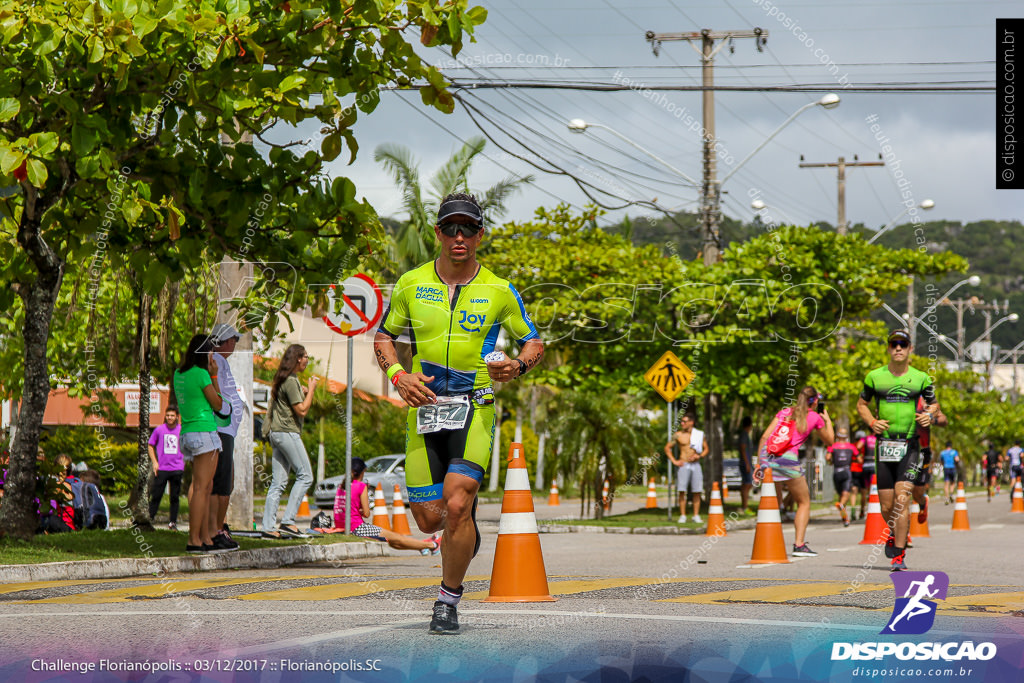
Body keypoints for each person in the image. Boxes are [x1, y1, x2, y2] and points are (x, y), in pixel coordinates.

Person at [374, 193, 544, 635]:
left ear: (480, 235)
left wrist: (518, 365)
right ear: (437, 233)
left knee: (457, 502)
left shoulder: (499, 290)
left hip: (476, 410)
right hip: (424, 410)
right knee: (431, 517)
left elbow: (534, 342)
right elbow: (383, 339)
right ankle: (461, 534)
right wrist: (398, 376)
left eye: (468, 228)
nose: (459, 237)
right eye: (450, 228)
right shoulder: (411, 284)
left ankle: (447, 600)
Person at [857, 329, 938, 572]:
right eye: (894, 344)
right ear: (888, 348)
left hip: (910, 446)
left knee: (902, 499)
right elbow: (862, 405)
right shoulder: (874, 377)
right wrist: (872, 422)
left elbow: (934, 405)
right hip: (885, 446)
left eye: (903, 344)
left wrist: (929, 416)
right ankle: (894, 533)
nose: (898, 348)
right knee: (886, 505)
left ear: (910, 348)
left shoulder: (921, 377)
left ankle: (899, 555)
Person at [173, 333, 234, 553]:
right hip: (204, 431)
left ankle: (206, 537)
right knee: (201, 488)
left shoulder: (179, 373)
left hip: (188, 432)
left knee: (203, 486)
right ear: (204, 353)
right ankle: (194, 540)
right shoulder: (202, 374)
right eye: (211, 351)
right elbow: (218, 404)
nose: (213, 356)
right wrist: (215, 376)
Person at [757, 386, 834, 557]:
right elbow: (830, 441)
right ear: (814, 401)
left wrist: (758, 463)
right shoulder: (814, 417)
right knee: (804, 502)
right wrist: (827, 420)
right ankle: (799, 545)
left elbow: (764, 436)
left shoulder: (784, 412)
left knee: (772, 503)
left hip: (767, 456)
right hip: (787, 459)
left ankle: (768, 544)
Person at [261, 344, 318, 539]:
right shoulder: (291, 381)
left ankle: (268, 526)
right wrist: (311, 390)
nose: (307, 361)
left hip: (276, 433)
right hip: (287, 433)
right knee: (306, 476)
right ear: (297, 359)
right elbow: (302, 410)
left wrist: (301, 389)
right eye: (305, 357)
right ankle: (288, 521)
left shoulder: (284, 379)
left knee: (278, 482)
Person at [333, 457, 440, 554]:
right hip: (357, 527)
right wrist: (360, 510)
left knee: (393, 542)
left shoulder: (341, 487)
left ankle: (421, 546)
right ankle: (433, 545)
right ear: (362, 472)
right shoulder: (361, 486)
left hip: (341, 526)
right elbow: (366, 513)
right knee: (396, 538)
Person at [209, 323, 243, 549]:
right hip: (222, 428)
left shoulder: (221, 362)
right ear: (225, 341)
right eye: (233, 340)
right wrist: (226, 410)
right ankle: (216, 529)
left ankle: (216, 527)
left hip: (226, 428)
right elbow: (216, 391)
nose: (234, 344)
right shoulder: (217, 361)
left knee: (224, 482)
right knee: (221, 484)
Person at [665, 412, 708, 524]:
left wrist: (699, 456)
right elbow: (667, 448)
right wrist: (674, 461)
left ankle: (696, 515)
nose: (682, 423)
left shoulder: (699, 435)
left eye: (684, 421)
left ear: (691, 422)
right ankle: (683, 515)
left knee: (697, 491)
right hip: (683, 464)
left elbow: (706, 449)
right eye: (681, 421)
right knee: (682, 490)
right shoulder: (678, 435)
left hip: (696, 465)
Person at [911, 396, 947, 527]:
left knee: (917, 492)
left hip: (921, 451)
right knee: (901, 491)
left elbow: (944, 419)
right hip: (901, 450)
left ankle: (922, 502)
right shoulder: (893, 395)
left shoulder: (924, 400)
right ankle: (902, 534)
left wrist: (931, 419)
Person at [148, 407, 184, 530]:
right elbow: (150, 445)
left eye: (172, 415)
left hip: (177, 468)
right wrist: (155, 462)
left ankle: (172, 522)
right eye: (168, 415)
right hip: (162, 468)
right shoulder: (159, 430)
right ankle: (150, 519)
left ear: (177, 417)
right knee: (156, 495)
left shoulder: (181, 430)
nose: (169, 418)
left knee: (174, 497)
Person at [826, 427, 858, 526]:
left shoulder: (833, 446)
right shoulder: (851, 447)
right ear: (847, 436)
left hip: (836, 472)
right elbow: (859, 459)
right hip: (846, 471)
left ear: (837, 436)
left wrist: (831, 462)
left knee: (841, 494)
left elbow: (827, 458)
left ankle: (845, 519)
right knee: (846, 495)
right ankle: (841, 506)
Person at [854, 430, 878, 519]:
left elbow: (858, 446)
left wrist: (860, 455)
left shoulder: (866, 438)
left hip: (866, 466)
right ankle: (874, 509)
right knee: (875, 490)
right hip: (875, 466)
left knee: (864, 491)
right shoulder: (878, 439)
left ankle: (862, 511)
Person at [736, 416, 755, 513]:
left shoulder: (746, 434)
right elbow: (743, 449)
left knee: (746, 485)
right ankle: (745, 507)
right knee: (747, 484)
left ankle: (744, 506)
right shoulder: (744, 434)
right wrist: (747, 463)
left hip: (746, 462)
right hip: (745, 463)